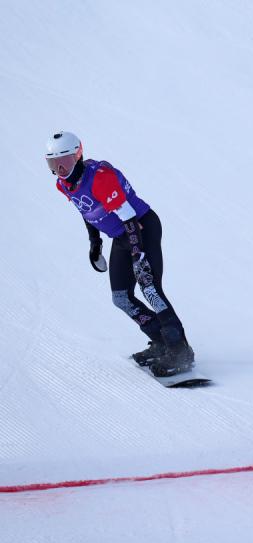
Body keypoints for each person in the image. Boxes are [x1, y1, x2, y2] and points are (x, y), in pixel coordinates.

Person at [45, 132, 193, 376]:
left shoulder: (101, 180)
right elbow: (85, 209)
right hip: (121, 236)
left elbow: (130, 218)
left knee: (151, 289)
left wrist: (138, 255)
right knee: (121, 297)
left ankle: (180, 351)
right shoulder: (64, 184)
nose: (60, 169)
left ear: (79, 155)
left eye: (66, 161)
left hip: (140, 228)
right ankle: (161, 342)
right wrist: (95, 243)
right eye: (53, 164)